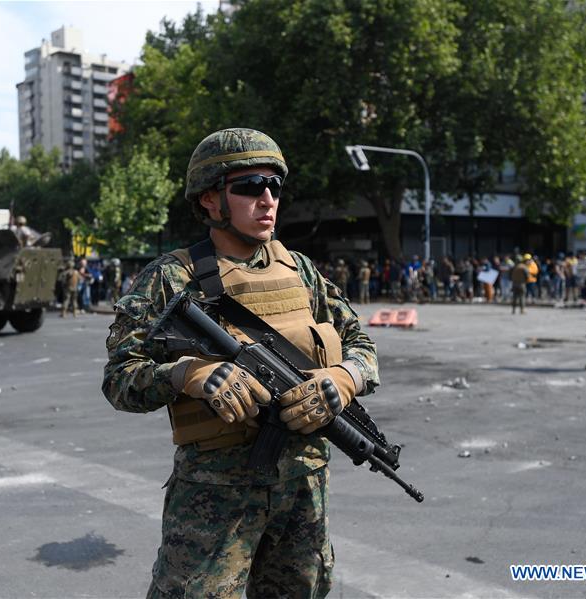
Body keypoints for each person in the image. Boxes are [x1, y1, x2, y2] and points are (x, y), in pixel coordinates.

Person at [102, 128, 379, 598]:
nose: (267, 199)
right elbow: (119, 378)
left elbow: (362, 346)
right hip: (214, 500)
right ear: (210, 199)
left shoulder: (302, 271)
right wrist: (189, 374)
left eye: (275, 186)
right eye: (249, 187)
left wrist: (343, 378)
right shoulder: (171, 278)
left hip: (302, 492)